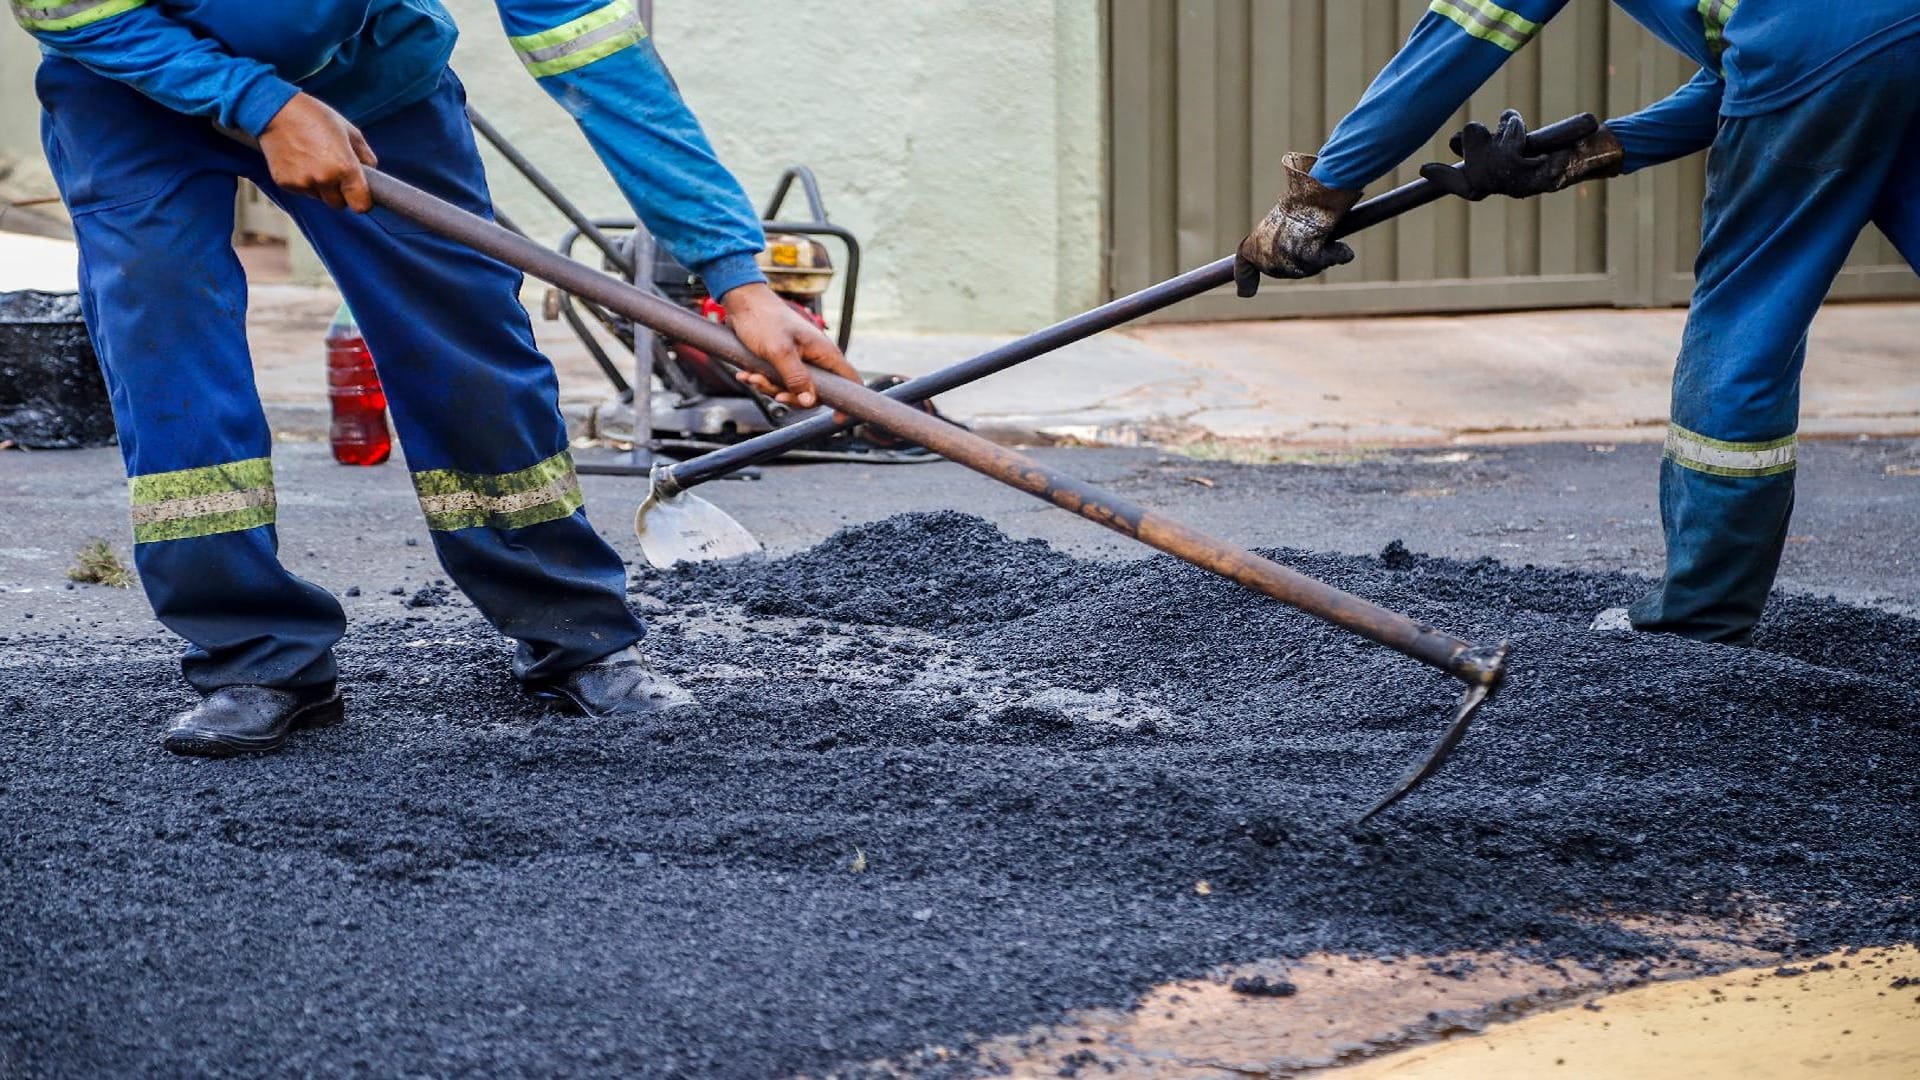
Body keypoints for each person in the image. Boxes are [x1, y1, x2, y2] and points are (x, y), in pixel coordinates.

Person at [12, 0, 858, 755]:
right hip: (134, 91)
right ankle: (255, 654)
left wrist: (735, 277)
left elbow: (585, 39)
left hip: (372, 83)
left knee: (468, 352)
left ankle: (568, 627)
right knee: (173, 364)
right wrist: (257, 101)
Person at [1235, 0, 1920, 645]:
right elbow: (1786, 56)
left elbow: (1468, 30)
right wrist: (1599, 150)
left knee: (1747, 323)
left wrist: (1319, 194)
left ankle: (1700, 620)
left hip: (1822, 53)